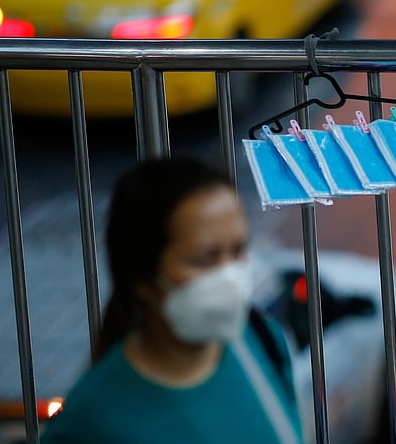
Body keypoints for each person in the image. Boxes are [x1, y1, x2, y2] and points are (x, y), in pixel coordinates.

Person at [40, 156, 304, 444]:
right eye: (205, 258)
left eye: (238, 250)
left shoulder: (262, 341)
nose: (231, 274)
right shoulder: (93, 420)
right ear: (143, 278)